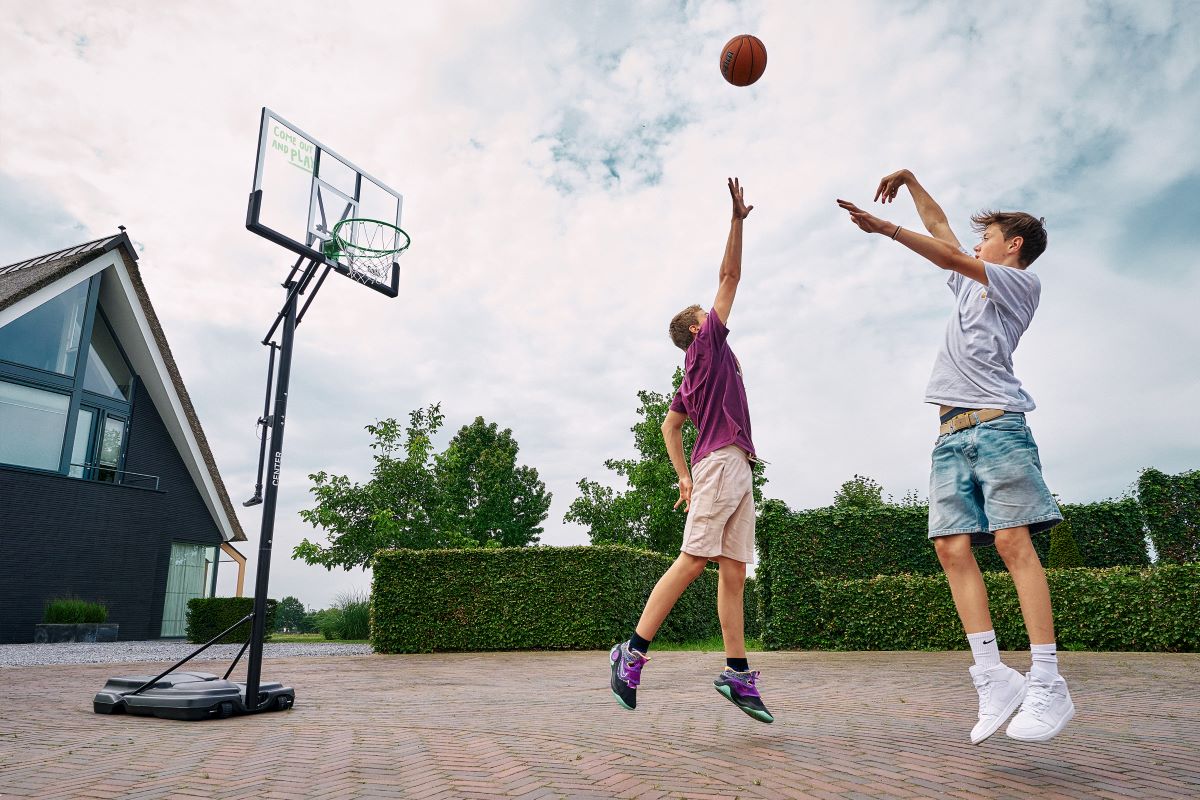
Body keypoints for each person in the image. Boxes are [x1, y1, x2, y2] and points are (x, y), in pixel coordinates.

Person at [836, 170, 1074, 744]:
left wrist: (886, 229)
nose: (976, 243)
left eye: (987, 235)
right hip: (949, 433)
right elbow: (941, 228)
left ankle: (1047, 678)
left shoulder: (1021, 283)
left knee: (1014, 542)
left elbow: (946, 250)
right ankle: (993, 676)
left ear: (1012, 244)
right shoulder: (970, 285)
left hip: (998, 426)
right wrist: (912, 180)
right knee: (949, 547)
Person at [608, 177, 772, 724]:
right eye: (708, 313)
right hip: (724, 461)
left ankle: (737, 674)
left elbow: (668, 425)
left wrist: (683, 476)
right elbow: (731, 275)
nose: (716, 314)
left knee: (731, 573)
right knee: (695, 559)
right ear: (697, 328)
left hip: (729, 464)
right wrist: (738, 221)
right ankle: (631, 652)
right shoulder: (705, 346)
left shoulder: (695, 372)